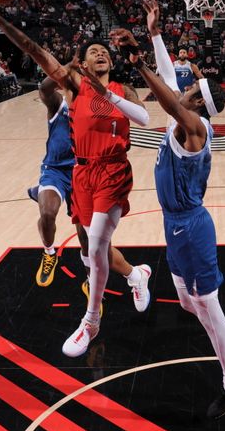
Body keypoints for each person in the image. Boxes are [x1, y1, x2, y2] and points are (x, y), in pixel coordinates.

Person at [0, 0, 151, 358]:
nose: (100, 53)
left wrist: (144, 53)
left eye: (105, 50)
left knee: (98, 244)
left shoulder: (124, 89)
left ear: (111, 61)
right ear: (82, 64)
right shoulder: (72, 87)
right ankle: (137, 274)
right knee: (91, 250)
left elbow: (148, 116)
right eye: (93, 51)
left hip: (114, 173)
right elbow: (33, 49)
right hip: (79, 175)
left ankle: (90, 320)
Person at [122, 0, 225, 419]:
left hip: (192, 226)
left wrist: (137, 66)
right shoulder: (183, 118)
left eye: (188, 89)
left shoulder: (196, 128)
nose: (181, 87)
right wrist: (154, 33)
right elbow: (168, 80)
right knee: (189, 303)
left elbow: (167, 96)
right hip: (175, 225)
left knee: (208, 304)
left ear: (198, 102)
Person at [27, 77, 151, 318]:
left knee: (89, 242)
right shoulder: (59, 105)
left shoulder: (99, 106)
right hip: (56, 171)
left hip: (84, 173)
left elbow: (132, 117)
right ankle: (49, 252)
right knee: (47, 212)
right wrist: (61, 71)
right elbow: (43, 89)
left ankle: (91, 282)